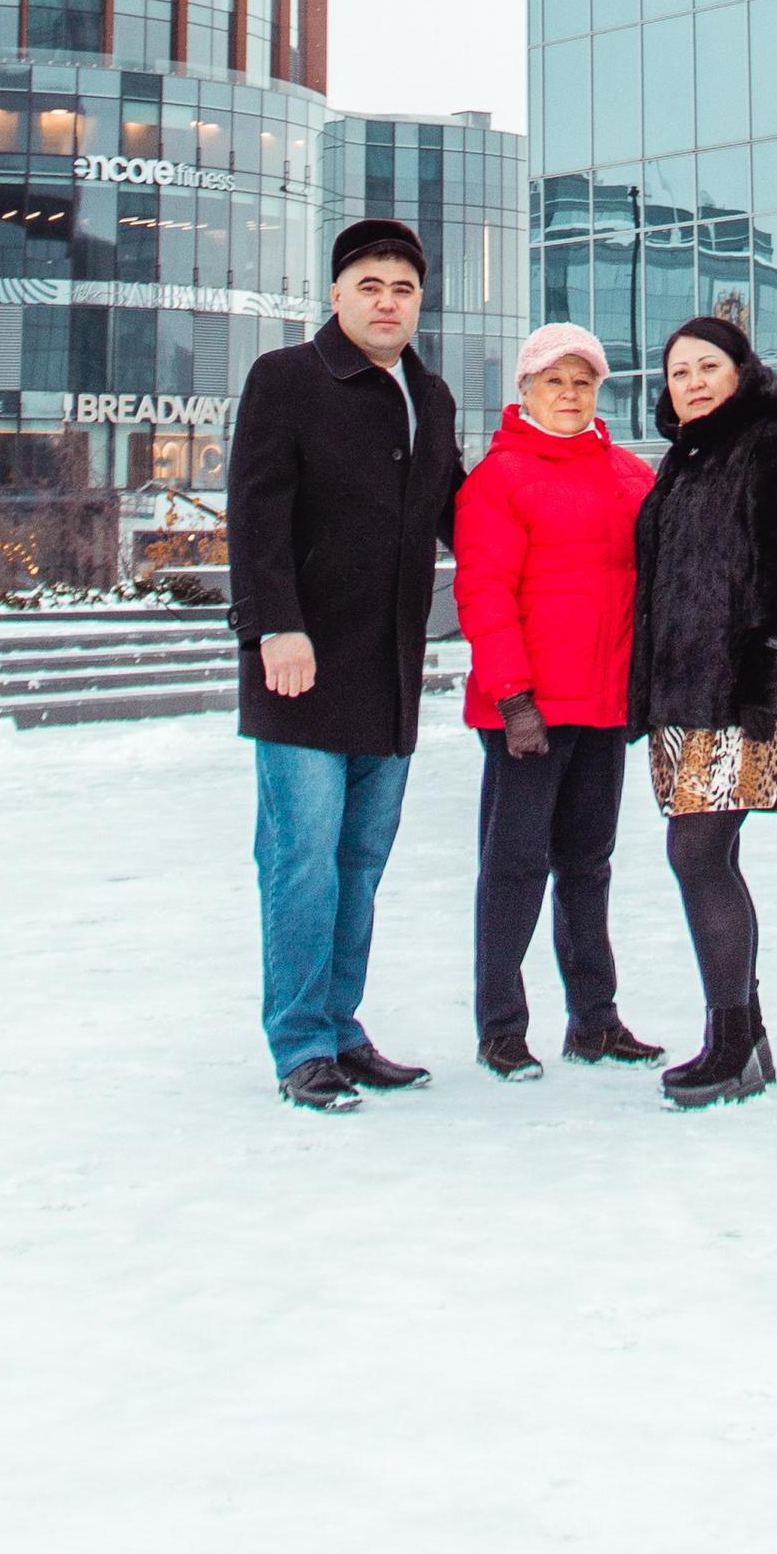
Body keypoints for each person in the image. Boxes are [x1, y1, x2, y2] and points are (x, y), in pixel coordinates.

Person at [226, 219, 465, 1112]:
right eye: (369, 286)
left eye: (402, 289)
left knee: (360, 860)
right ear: (335, 296)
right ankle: (300, 1044)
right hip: (301, 667)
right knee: (302, 861)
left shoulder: (430, 396)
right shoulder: (285, 379)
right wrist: (272, 627)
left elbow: (462, 513)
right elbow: (253, 514)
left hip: (391, 674)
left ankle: (341, 1026)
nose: (387, 302)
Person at [627, 312, 777, 1110]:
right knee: (702, 857)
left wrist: (770, 675)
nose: (690, 381)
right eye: (676, 371)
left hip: (745, 698)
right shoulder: (681, 464)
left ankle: (730, 1043)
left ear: (739, 371)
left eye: (705, 367)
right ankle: (744, 1039)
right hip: (682, 699)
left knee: (697, 854)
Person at [452, 321, 662, 1082]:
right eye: (554, 381)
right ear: (526, 390)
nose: (569, 394)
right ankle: (501, 1027)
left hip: (604, 708)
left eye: (583, 382)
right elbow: (483, 593)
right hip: (528, 714)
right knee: (513, 868)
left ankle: (595, 1023)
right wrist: (513, 699)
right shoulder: (498, 479)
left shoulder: (631, 475)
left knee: (589, 868)